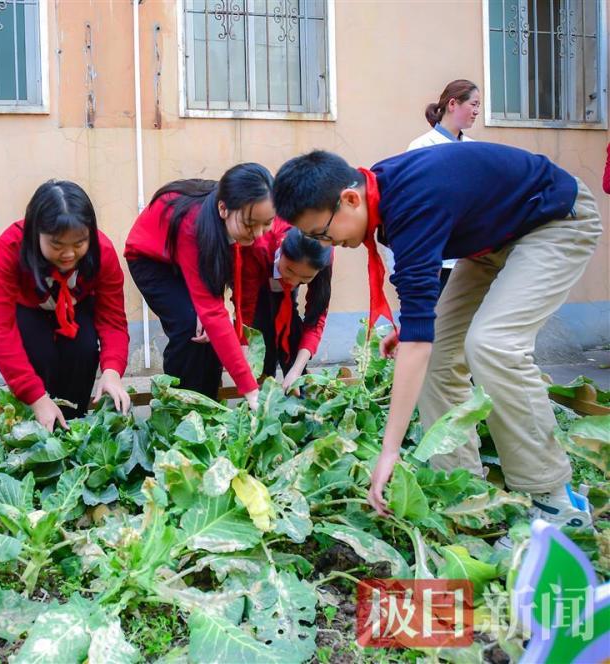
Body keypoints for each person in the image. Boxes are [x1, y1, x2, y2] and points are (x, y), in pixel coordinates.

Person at [271, 145, 601, 537]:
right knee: (440, 359)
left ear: (350, 199)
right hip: (490, 243)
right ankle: (464, 493)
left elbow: (418, 339)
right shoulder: (384, 199)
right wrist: (413, 326)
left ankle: (551, 498)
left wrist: (389, 451)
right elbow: (419, 308)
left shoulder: (410, 205)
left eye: (321, 233)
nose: (324, 244)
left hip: (553, 220)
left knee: (492, 345)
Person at [125, 164, 277, 409]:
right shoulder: (193, 226)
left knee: (210, 332)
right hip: (151, 259)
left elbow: (238, 288)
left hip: (191, 258)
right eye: (250, 224)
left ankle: (209, 403)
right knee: (190, 328)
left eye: (267, 223)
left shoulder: (241, 224)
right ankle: (179, 409)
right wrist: (250, 390)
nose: (259, 234)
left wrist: (242, 338)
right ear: (223, 209)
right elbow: (214, 312)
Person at [0, 180, 130, 430]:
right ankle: (35, 428)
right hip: (28, 308)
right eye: (57, 245)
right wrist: (37, 398)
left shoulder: (102, 251)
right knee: (40, 355)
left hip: (76, 307)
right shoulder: (11, 247)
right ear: (35, 232)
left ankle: (73, 426)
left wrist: (112, 371)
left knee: (82, 351)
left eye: (79, 243)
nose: (69, 254)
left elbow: (112, 320)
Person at [407, 79, 480, 289]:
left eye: (479, 106)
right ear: (453, 104)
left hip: (467, 256)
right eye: (473, 104)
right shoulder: (421, 146)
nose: (476, 111)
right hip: (433, 253)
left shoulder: (474, 149)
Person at [241, 225, 333, 393]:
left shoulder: (323, 254)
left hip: (279, 285)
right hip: (260, 275)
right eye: (290, 270)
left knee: (289, 321)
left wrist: (297, 370)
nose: (293, 281)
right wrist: (245, 349)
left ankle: (296, 384)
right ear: (282, 250)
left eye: (305, 278)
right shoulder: (260, 245)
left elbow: (316, 316)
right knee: (262, 322)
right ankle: (263, 384)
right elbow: (245, 307)